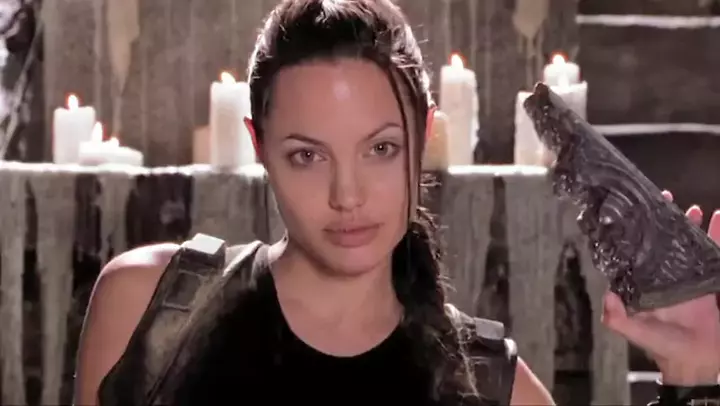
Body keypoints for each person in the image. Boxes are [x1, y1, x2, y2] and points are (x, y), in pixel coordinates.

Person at [73, 0, 720, 405]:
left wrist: (694, 372)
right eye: (307, 155)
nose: (347, 195)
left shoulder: (492, 387)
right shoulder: (152, 311)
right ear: (259, 146)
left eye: (380, 149)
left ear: (423, 136)